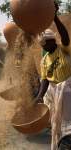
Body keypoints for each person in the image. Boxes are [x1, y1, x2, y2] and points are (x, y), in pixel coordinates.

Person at [35, 3, 71, 150]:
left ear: (52, 41)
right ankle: (63, 144)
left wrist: (54, 16)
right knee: (57, 123)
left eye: (45, 43)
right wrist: (38, 96)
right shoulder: (44, 59)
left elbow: (65, 36)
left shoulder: (64, 49)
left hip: (68, 91)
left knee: (68, 122)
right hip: (54, 93)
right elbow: (45, 79)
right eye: (42, 45)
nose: (43, 46)